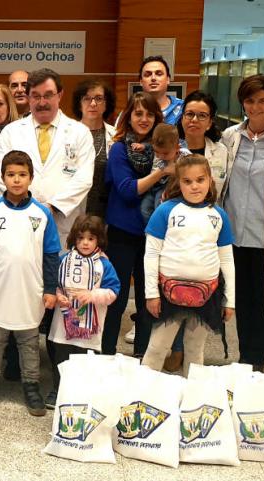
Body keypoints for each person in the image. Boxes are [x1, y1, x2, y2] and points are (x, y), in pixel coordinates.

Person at [0, 150, 61, 417]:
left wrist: (49, 289)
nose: (17, 180)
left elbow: (51, 254)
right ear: (2, 178)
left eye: (22, 175)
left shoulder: (42, 214)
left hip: (30, 292)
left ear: (31, 178)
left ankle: (31, 385)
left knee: (29, 342)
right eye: (11, 175)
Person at [218, 76, 264, 374]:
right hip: (235, 233)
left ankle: (256, 359)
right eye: (250, 101)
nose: (255, 107)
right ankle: (244, 356)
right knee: (241, 298)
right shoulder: (229, 137)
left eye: (263, 101)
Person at [143, 155, 235, 377]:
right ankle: (143, 398)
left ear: (210, 180)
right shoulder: (165, 211)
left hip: (207, 294)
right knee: (157, 348)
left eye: (200, 180)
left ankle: (192, 401)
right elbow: (151, 253)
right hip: (167, 294)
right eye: (187, 181)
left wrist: (229, 299)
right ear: (178, 182)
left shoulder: (218, 215)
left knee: (195, 351)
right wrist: (151, 294)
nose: (195, 186)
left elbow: (227, 260)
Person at [0, 68, 95, 244]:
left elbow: (84, 179)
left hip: (64, 225)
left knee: (60, 270)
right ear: (28, 97)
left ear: (59, 95)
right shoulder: (11, 132)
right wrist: (26, 207)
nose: (42, 102)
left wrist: (52, 207)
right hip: (19, 221)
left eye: (48, 95)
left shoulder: (80, 133)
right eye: (35, 96)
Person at [103, 92, 166, 357]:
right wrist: (161, 172)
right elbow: (128, 190)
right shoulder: (119, 149)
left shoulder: (163, 149)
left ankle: (144, 356)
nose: (144, 119)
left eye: (149, 114)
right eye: (138, 113)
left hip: (153, 234)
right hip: (122, 231)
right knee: (115, 298)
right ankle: (106, 354)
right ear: (128, 116)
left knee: (147, 297)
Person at [46, 215, 120, 407]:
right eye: (80, 238)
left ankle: (82, 394)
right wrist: (57, 295)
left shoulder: (104, 265)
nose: (85, 243)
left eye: (90, 238)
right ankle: (57, 390)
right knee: (61, 358)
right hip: (64, 322)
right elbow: (52, 284)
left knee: (86, 361)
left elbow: (113, 291)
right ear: (73, 239)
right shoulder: (64, 260)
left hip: (90, 326)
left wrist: (93, 295)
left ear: (99, 240)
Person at [72, 78, 117, 217]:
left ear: (106, 104)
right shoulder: (67, 133)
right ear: (79, 104)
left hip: (105, 210)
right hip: (73, 208)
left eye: (98, 98)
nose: (93, 103)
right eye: (87, 98)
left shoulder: (116, 135)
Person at [177, 91, 228, 193]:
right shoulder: (168, 149)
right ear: (182, 118)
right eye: (190, 114)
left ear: (209, 123)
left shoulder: (221, 151)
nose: (194, 120)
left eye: (202, 115)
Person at [140, 123, 191, 223]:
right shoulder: (156, 150)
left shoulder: (184, 154)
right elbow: (150, 146)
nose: (160, 156)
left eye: (165, 153)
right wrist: (143, 146)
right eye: (157, 152)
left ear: (177, 147)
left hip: (168, 187)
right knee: (144, 209)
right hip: (153, 186)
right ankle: (153, 229)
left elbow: (193, 167)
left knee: (159, 207)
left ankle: (162, 229)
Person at [139, 56, 183, 124]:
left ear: (168, 79)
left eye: (159, 74)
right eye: (148, 75)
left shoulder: (183, 108)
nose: (153, 78)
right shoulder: (131, 111)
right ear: (141, 82)